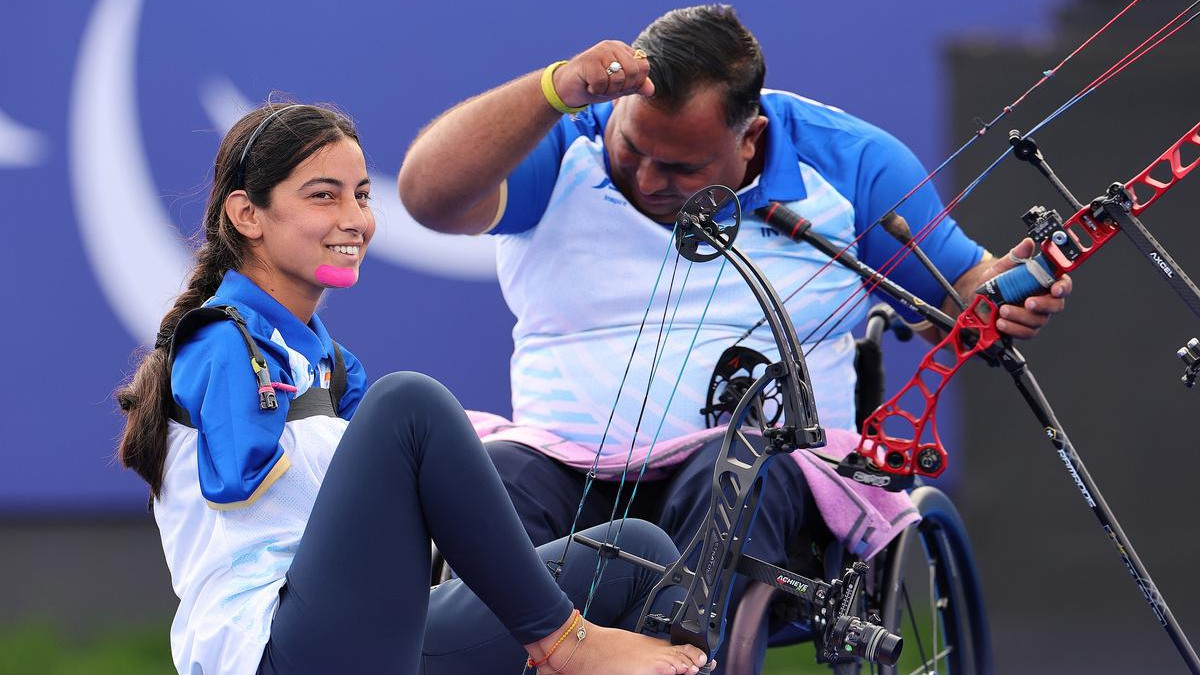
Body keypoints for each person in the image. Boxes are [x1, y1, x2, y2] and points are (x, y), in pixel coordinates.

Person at [397, 4, 1072, 673]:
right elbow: (428, 197)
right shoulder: (565, 138)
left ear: (750, 139)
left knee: (736, 468)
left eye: (681, 167)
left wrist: (1008, 293)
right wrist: (553, 89)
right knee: (496, 476)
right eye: (632, 149)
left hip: (755, 478)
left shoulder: (852, 163)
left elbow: (953, 303)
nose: (648, 178)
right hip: (562, 467)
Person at [114, 101, 712, 675]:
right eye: (323, 195)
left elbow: (373, 513)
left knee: (639, 555)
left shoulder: (332, 364)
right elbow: (239, 483)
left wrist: (447, 477)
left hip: (373, 635)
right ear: (247, 215)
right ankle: (562, 641)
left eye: (362, 195)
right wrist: (426, 477)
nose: (355, 219)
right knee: (409, 403)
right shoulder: (221, 341)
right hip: (274, 652)